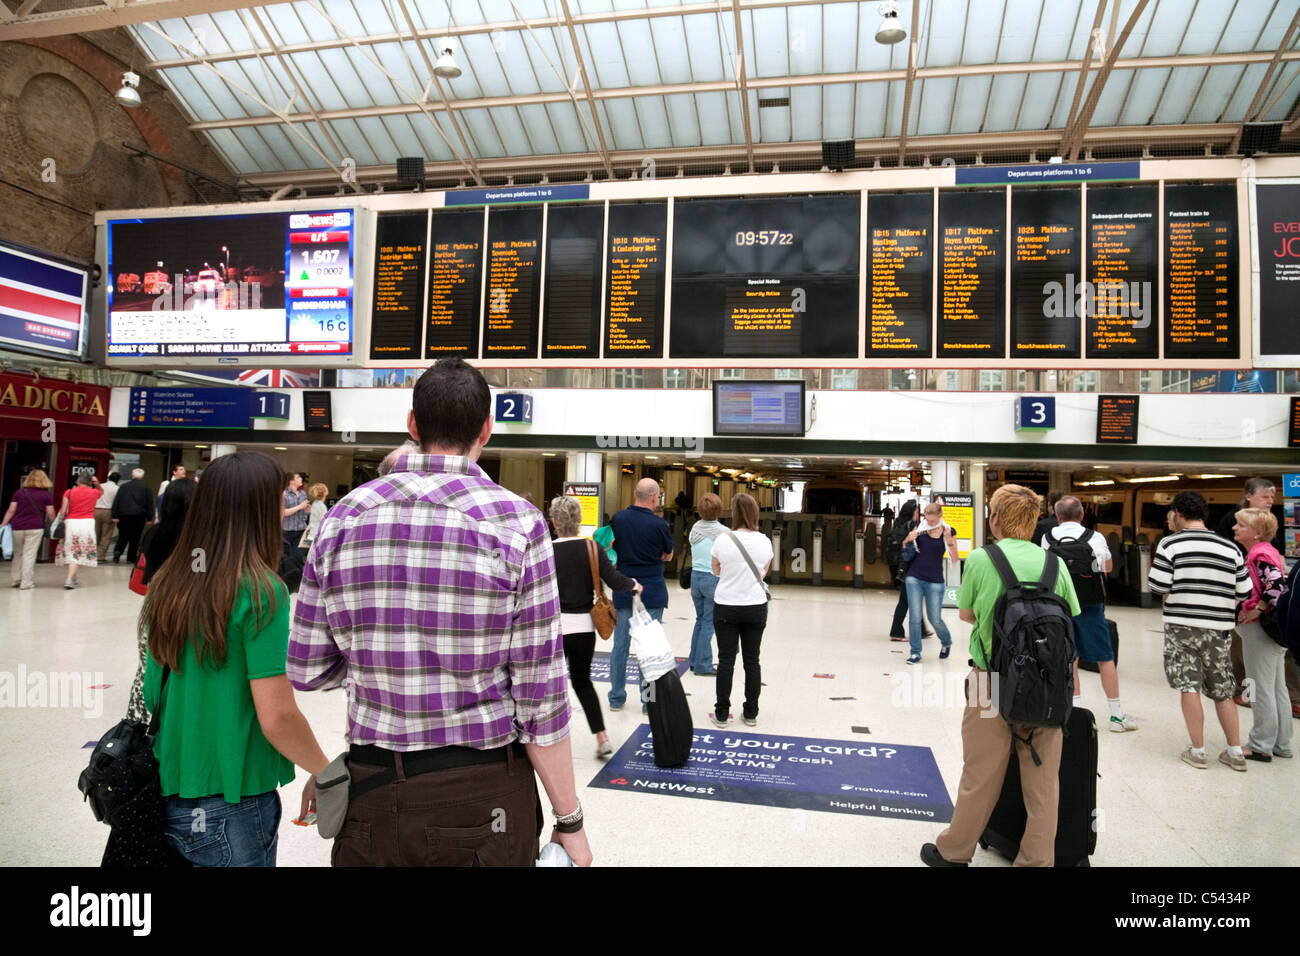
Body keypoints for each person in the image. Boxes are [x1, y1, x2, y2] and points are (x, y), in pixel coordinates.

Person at [289, 358, 592, 867]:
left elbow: (306, 668)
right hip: (482, 795)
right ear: (486, 430)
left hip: (374, 789)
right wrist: (570, 821)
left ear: (412, 425)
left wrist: (377, 656)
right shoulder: (518, 524)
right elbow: (538, 698)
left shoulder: (342, 517)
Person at [143, 452, 330, 866]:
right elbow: (276, 716)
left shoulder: (167, 581)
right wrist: (326, 770)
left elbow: (151, 690)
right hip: (232, 801)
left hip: (166, 786)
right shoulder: (262, 591)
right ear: (261, 510)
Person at [921, 484, 1080, 868]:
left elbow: (967, 614)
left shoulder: (980, 559)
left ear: (994, 519)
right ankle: (1037, 859)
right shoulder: (1054, 563)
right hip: (1046, 685)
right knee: (1043, 780)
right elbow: (1069, 620)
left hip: (991, 681)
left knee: (982, 770)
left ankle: (955, 851)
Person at [1148, 491, 1252, 772]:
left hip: (1182, 625)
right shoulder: (1230, 548)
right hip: (1219, 628)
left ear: (1179, 514)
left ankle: (1198, 751)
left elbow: (1158, 586)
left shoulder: (1170, 544)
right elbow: (1245, 590)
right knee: (1223, 689)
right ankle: (1235, 752)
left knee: (1189, 685)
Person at [548, 495, 641, 758]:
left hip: (554, 630)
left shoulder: (546, 550)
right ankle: (602, 737)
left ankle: (549, 739)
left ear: (554, 522)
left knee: (550, 685)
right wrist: (634, 584)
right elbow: (614, 579)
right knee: (582, 681)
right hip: (584, 628)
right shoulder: (591, 548)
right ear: (579, 521)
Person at [1042, 495, 1136, 733]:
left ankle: (1073, 714)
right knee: (1105, 657)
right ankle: (1116, 716)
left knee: (1069, 658)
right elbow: (1107, 567)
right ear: (1082, 515)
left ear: (1057, 515)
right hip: (1090, 606)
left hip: (1061, 605)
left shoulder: (1048, 538)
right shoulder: (1095, 537)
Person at [126, 477, 198, 723]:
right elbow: (202, 573)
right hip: (186, 607)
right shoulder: (197, 539)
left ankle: (140, 717)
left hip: (154, 606)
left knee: (148, 665)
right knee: (180, 668)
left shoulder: (153, 533)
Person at [608, 478, 674, 713]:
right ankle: (648, 702)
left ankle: (616, 697)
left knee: (620, 646)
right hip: (653, 591)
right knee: (649, 649)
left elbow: (610, 547)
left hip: (624, 588)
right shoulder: (660, 525)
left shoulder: (618, 519)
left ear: (635, 494)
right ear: (655, 497)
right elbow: (668, 555)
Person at [709, 493, 774, 728]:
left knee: (726, 660)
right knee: (752, 660)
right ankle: (751, 713)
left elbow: (715, 570)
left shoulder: (723, 540)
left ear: (734, 514)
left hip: (726, 605)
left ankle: (721, 713)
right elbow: (764, 572)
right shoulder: (765, 541)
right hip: (755, 606)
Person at [1232, 507, 1291, 762]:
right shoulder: (1269, 552)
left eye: (1241, 525)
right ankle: (1281, 743)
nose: (1235, 528)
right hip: (1274, 633)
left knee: (1258, 687)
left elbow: (1276, 585)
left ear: (1257, 533)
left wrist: (1258, 609)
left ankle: (1260, 744)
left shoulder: (1259, 553)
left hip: (1260, 631)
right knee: (1277, 687)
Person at [901, 500, 959, 664]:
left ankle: (946, 642)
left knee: (935, 618)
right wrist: (908, 539)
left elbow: (955, 559)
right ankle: (915, 652)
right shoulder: (920, 529)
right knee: (915, 616)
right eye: (927, 519)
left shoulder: (948, 530)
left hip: (935, 580)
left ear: (939, 517)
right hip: (914, 577)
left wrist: (949, 540)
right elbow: (905, 548)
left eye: (933, 521)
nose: (929, 523)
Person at [687, 493, 726, 675]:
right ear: (719, 510)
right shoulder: (724, 533)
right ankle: (703, 664)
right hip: (712, 579)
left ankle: (694, 660)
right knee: (709, 623)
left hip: (696, 578)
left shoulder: (695, 529)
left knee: (700, 620)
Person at [2, 470, 56, 590]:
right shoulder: (46, 494)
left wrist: (3, 524)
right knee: (29, 555)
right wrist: (55, 524)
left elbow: (11, 510)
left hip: (17, 527)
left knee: (17, 554)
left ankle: (16, 579)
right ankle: (26, 582)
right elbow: (50, 513)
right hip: (35, 527)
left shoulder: (19, 493)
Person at [56, 471, 101, 589]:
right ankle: (70, 579)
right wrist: (96, 483)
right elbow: (102, 491)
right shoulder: (94, 492)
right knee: (79, 550)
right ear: (90, 481)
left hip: (71, 523)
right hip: (87, 523)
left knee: (72, 550)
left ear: (78, 480)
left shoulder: (69, 492)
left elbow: (63, 510)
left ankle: (72, 577)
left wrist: (58, 521)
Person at [111, 468, 154, 564]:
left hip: (124, 515)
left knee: (123, 535)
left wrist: (115, 515)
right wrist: (149, 517)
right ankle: (131, 557)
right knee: (135, 537)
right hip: (139, 515)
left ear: (132, 475)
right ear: (142, 476)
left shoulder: (123, 486)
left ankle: (118, 551)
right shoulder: (146, 488)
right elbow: (149, 503)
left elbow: (117, 501)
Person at [279, 472, 309, 590]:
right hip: (286, 530)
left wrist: (307, 510)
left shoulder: (302, 493)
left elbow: (304, 511)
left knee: (297, 556)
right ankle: (286, 583)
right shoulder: (284, 494)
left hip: (301, 530)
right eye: (298, 477)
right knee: (286, 557)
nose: (301, 479)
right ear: (291, 480)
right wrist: (299, 507)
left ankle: (297, 584)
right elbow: (283, 513)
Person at [297, 482, 329, 562]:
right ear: (324, 492)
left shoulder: (315, 503)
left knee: (310, 559)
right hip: (316, 536)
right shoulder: (321, 506)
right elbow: (324, 522)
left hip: (311, 535)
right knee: (316, 560)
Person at [94, 472, 120, 561]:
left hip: (96, 510)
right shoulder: (117, 488)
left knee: (96, 533)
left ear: (108, 478)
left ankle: (92, 554)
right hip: (108, 511)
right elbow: (117, 502)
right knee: (106, 535)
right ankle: (100, 556)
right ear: (118, 480)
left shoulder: (100, 485)